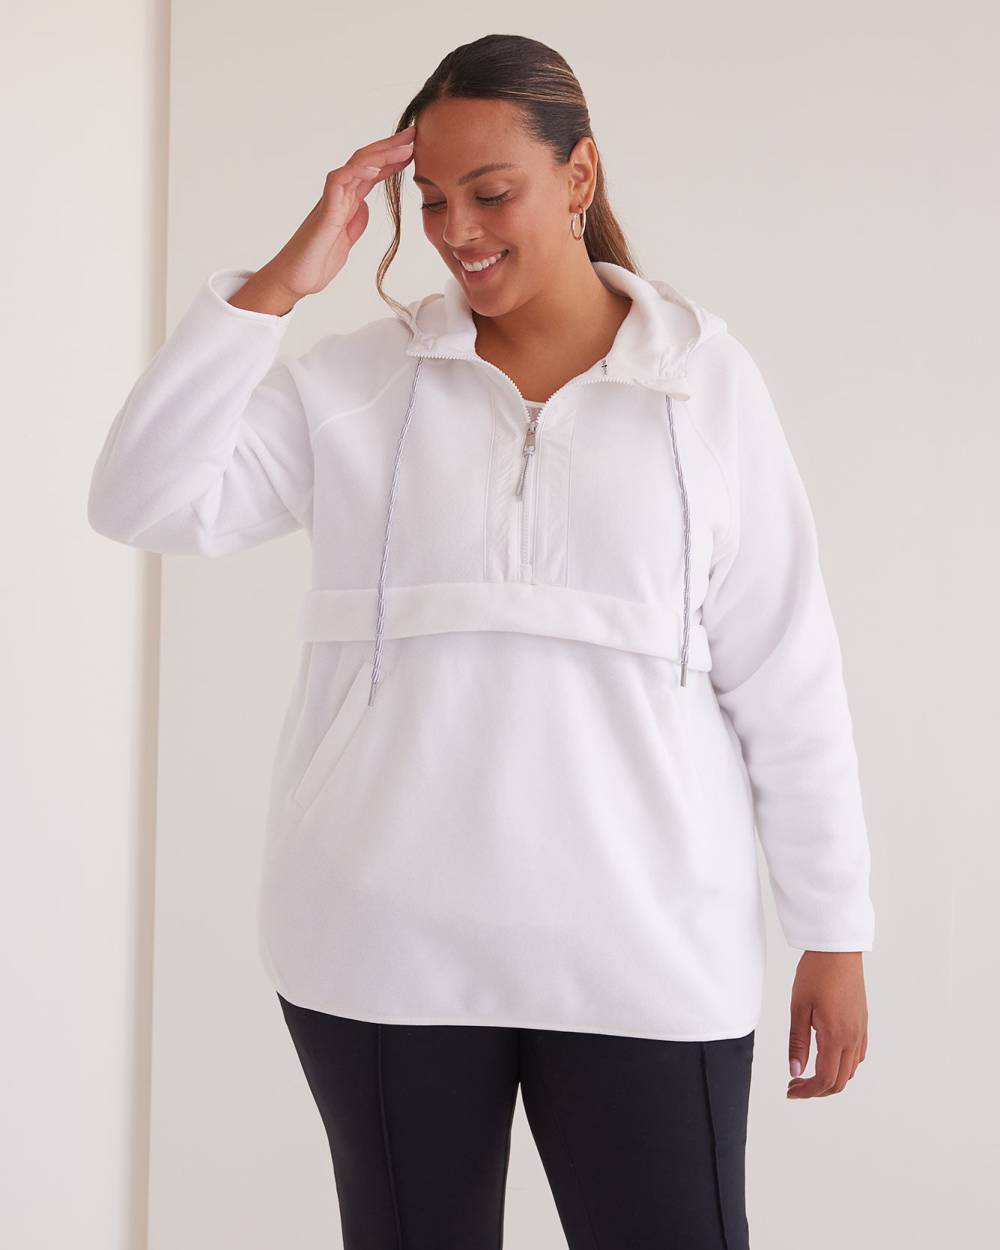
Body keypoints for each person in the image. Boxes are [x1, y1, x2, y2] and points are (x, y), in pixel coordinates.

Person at [88, 32, 874, 1250]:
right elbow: (142, 498)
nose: (456, 230)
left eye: (491, 192)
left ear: (577, 175)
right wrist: (282, 281)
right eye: (432, 198)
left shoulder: (705, 385)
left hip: (648, 946)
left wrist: (834, 923)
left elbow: (786, 668)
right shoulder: (357, 383)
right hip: (382, 948)